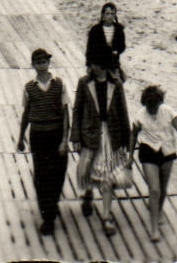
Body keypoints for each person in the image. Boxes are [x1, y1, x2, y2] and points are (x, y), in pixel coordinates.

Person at [71, 62, 132, 238]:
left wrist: (127, 141)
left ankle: (106, 216)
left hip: (111, 136)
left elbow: (123, 111)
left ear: (104, 64)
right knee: (88, 170)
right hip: (90, 134)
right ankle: (88, 194)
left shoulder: (116, 84)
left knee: (107, 175)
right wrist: (75, 137)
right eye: (90, 64)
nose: (91, 67)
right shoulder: (84, 83)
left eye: (95, 63)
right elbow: (77, 110)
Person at [17, 48, 69, 238]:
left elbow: (65, 113)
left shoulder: (59, 84)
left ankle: (52, 203)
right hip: (38, 135)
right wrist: (20, 137)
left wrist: (65, 139)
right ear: (33, 65)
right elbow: (26, 113)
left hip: (56, 133)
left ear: (49, 63)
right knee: (41, 175)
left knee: (59, 173)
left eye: (44, 61)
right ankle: (47, 217)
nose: (41, 65)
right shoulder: (29, 87)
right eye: (37, 62)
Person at [133, 85, 177, 243]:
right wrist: (128, 157)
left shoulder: (167, 110)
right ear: (145, 104)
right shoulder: (140, 115)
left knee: (163, 187)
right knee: (154, 189)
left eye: (154, 105)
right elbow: (133, 135)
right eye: (149, 106)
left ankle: (158, 210)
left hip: (167, 151)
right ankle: (154, 228)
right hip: (148, 151)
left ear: (160, 103)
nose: (152, 109)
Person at [85, 2, 128, 75]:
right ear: (103, 15)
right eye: (107, 14)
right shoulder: (95, 30)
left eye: (112, 14)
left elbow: (122, 46)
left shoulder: (118, 29)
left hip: (113, 64)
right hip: (98, 64)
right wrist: (89, 65)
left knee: (119, 82)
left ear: (115, 16)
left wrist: (117, 51)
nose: (110, 16)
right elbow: (89, 49)